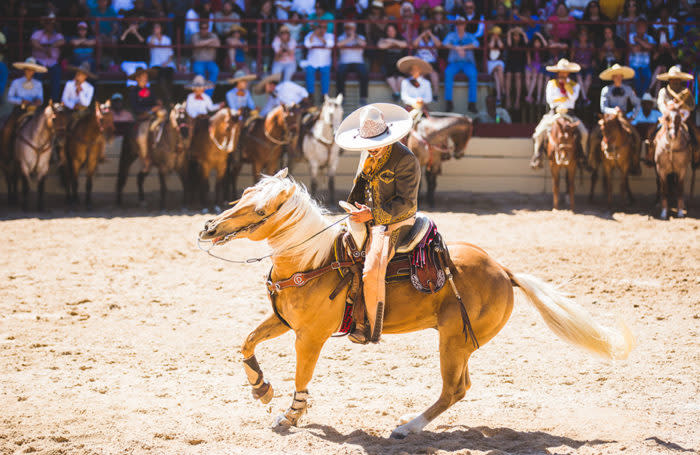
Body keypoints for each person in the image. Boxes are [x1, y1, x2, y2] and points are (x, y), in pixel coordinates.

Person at [334, 103, 418, 344]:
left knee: (371, 270)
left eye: (375, 144)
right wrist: (353, 208)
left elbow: (407, 203)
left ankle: (370, 327)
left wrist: (372, 216)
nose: (371, 149)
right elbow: (360, 187)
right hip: (368, 217)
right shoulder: (368, 154)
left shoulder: (406, 160)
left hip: (396, 222)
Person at [530, 59, 588, 169]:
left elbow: (573, 99)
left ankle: (583, 157)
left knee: (584, 133)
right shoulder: (551, 84)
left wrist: (566, 87)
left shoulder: (574, 85)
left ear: (568, 73)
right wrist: (563, 99)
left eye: (565, 72)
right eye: (561, 72)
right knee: (538, 133)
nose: (562, 74)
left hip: (569, 114)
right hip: (554, 113)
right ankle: (537, 156)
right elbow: (550, 100)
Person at [644, 66, 699, 165]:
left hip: (683, 118)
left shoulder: (686, 92)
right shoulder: (663, 91)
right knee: (651, 132)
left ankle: (696, 155)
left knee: (695, 133)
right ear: (669, 80)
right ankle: (651, 154)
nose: (675, 82)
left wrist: (682, 107)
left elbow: (691, 106)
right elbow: (660, 104)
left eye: (677, 79)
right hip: (667, 117)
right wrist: (669, 109)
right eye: (673, 79)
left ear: (680, 80)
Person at [593, 64, 641, 174]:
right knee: (594, 136)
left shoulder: (628, 89)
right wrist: (613, 110)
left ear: (622, 77)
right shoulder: (606, 90)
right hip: (609, 118)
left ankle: (635, 163)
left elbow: (637, 103)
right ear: (612, 77)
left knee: (637, 138)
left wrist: (632, 116)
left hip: (622, 118)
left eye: (620, 76)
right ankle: (592, 162)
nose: (618, 78)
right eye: (616, 76)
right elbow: (603, 107)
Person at [2, 58, 46, 159]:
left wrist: (38, 101)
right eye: (27, 69)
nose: (29, 72)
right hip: (19, 110)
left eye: (31, 70)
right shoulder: (16, 82)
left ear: (34, 72)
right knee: (7, 129)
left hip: (34, 111)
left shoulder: (38, 84)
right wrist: (21, 101)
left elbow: (41, 98)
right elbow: (10, 97)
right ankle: (5, 152)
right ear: (24, 70)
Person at [442, 16, 479, 113]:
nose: (459, 26)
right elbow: (445, 43)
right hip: (454, 63)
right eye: (458, 24)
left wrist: (463, 48)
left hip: (467, 63)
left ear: (465, 25)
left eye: (461, 24)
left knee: (473, 74)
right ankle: (449, 102)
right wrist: (456, 48)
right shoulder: (451, 35)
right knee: (448, 73)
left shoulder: (470, 36)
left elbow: (476, 44)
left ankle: (472, 103)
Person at [31, 13, 65, 102]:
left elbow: (62, 41)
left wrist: (51, 47)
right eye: (47, 23)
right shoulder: (38, 33)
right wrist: (44, 50)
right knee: (37, 79)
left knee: (56, 75)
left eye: (51, 24)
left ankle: (54, 102)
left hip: (53, 62)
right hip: (40, 61)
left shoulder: (57, 35)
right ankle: (35, 101)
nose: (49, 26)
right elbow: (34, 42)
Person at [336, 22, 368, 106]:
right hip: (344, 62)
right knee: (339, 74)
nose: (348, 30)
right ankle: (341, 97)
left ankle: (363, 97)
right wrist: (350, 38)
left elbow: (363, 44)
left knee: (364, 73)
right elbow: (338, 44)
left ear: (354, 29)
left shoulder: (360, 37)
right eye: (347, 28)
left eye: (350, 28)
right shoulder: (341, 37)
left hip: (358, 62)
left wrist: (355, 37)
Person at [303, 23, 334, 103]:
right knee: (309, 71)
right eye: (320, 27)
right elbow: (307, 45)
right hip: (312, 62)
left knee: (325, 73)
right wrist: (314, 34)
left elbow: (329, 44)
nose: (322, 29)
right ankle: (311, 95)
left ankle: (324, 96)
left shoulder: (330, 35)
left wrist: (319, 36)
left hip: (325, 62)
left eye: (324, 27)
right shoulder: (310, 35)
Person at [377, 23, 408, 103]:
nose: (390, 32)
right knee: (389, 74)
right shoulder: (383, 38)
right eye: (389, 31)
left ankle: (396, 94)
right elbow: (380, 46)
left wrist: (391, 41)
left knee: (401, 76)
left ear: (396, 31)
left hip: (400, 63)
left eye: (392, 30)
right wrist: (395, 43)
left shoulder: (400, 37)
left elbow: (404, 44)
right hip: (388, 63)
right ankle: (397, 93)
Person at [412, 19, 441, 102]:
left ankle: (435, 94)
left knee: (434, 74)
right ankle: (418, 96)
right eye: (424, 29)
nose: (426, 31)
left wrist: (430, 34)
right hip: (420, 62)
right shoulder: (418, 38)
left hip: (432, 62)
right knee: (418, 75)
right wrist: (422, 35)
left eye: (428, 29)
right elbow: (414, 44)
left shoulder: (434, 38)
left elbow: (439, 44)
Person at [398, 56, 433, 125]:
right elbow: (404, 97)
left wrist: (422, 100)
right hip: (409, 109)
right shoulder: (405, 82)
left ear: (420, 70)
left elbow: (429, 98)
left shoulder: (426, 83)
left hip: (423, 108)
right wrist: (415, 101)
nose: (414, 71)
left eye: (416, 69)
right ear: (410, 71)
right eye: (412, 69)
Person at [148, 22, 176, 104]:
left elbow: (171, 54)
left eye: (158, 28)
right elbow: (150, 45)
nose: (156, 29)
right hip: (155, 64)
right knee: (161, 78)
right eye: (155, 28)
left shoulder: (167, 39)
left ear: (161, 29)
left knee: (169, 78)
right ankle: (169, 99)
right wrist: (154, 35)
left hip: (167, 64)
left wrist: (166, 63)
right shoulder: (150, 38)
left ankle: (167, 98)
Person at [192, 20, 221, 97]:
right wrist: (210, 41)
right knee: (200, 74)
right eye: (202, 28)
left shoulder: (213, 35)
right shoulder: (195, 35)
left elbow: (218, 44)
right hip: (198, 61)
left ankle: (207, 96)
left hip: (210, 62)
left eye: (206, 28)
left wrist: (203, 43)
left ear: (208, 28)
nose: (204, 30)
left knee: (215, 70)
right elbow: (196, 44)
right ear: (199, 28)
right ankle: (201, 94)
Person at [505, 26, 527, 110]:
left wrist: (522, 33)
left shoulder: (523, 43)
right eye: (514, 35)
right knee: (508, 75)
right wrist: (510, 32)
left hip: (519, 63)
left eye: (518, 35)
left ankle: (517, 100)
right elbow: (509, 44)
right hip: (510, 62)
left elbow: (527, 43)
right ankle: (508, 99)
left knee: (518, 76)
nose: (516, 37)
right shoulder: (509, 41)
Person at [486, 26, 505, 106]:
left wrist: (498, 39)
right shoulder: (488, 40)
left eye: (497, 34)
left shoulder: (501, 41)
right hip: (491, 63)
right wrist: (493, 39)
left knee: (497, 75)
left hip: (498, 63)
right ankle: (503, 90)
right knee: (499, 69)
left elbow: (501, 46)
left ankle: (498, 97)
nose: (496, 35)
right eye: (494, 34)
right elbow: (491, 46)